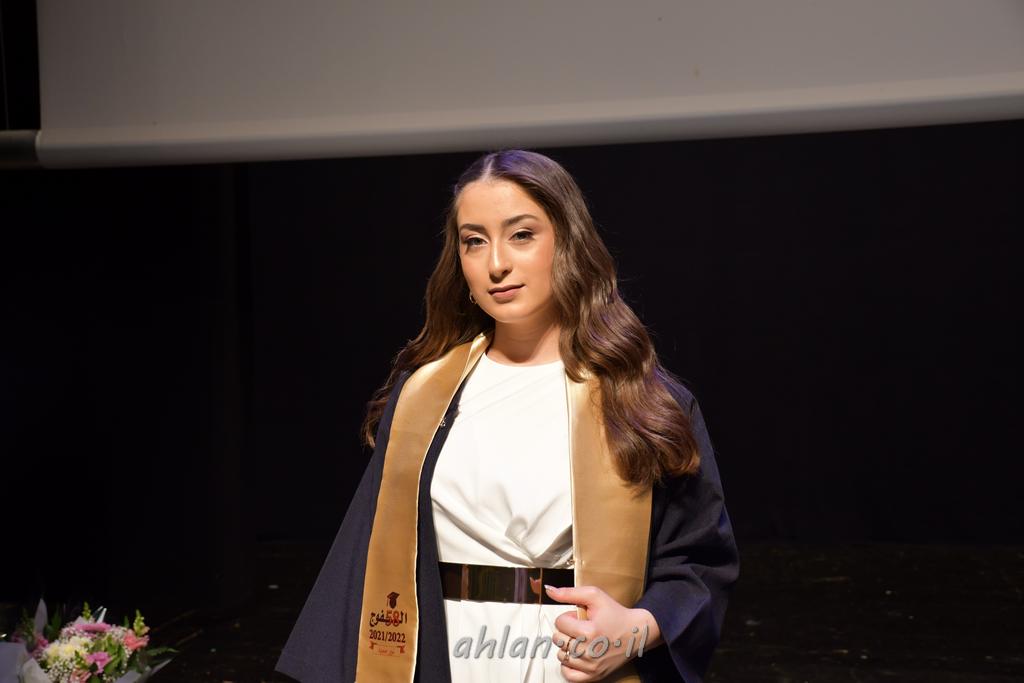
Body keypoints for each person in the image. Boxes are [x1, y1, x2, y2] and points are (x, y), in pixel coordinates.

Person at [275, 149, 739, 683]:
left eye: (521, 235)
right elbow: (364, 566)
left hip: (569, 660)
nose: (496, 263)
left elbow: (698, 564)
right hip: (442, 656)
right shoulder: (422, 397)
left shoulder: (639, 399)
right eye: (474, 241)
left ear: (567, 242)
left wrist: (632, 631)